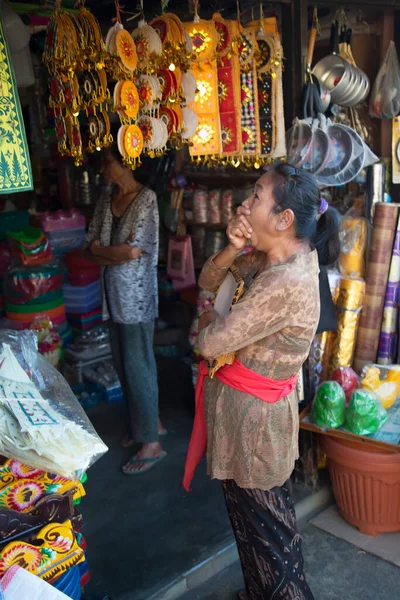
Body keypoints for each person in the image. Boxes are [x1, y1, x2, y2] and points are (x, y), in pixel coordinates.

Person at [184, 162, 340, 599]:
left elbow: (210, 342)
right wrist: (232, 248)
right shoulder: (268, 258)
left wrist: (206, 317)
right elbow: (209, 280)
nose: (245, 205)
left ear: (283, 219)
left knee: (269, 534)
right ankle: (257, 593)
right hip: (242, 418)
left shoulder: (285, 280)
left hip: (256, 428)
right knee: (251, 526)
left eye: (256, 196)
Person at [86, 144, 166, 475]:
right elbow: (91, 248)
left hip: (136, 298)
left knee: (138, 366)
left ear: (126, 163)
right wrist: (110, 252)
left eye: (108, 162)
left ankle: (152, 443)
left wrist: (108, 252)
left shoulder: (146, 199)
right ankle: (148, 424)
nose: (104, 168)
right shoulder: (107, 198)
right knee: (124, 364)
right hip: (113, 296)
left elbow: (133, 253)